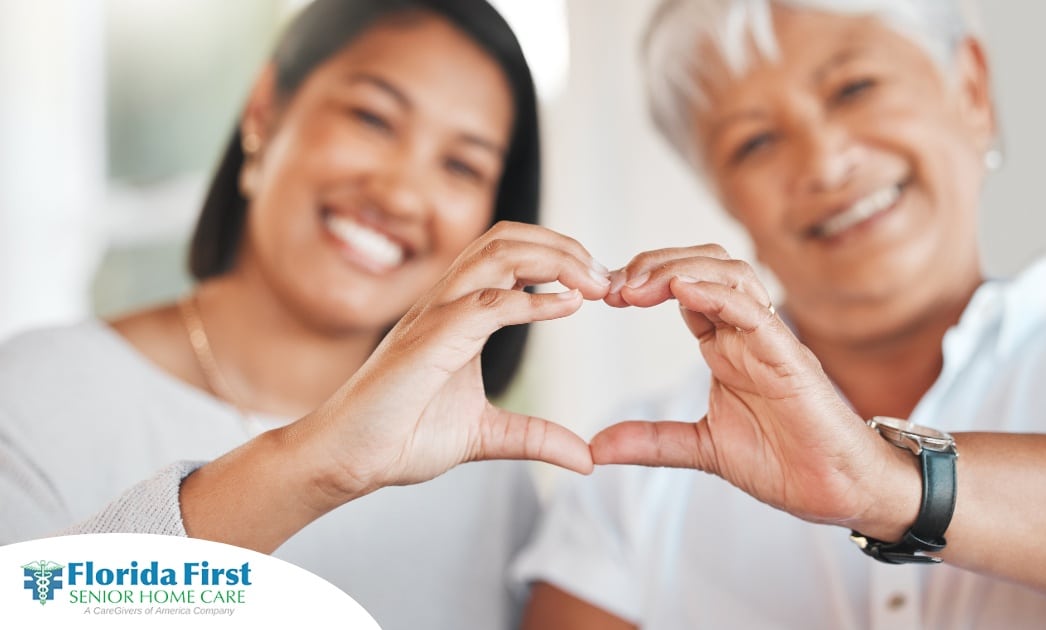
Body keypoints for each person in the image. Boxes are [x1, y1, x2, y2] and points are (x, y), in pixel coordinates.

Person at [514, 1, 1046, 628]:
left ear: (970, 89)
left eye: (854, 88)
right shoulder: (638, 477)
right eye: (754, 142)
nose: (824, 161)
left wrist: (891, 485)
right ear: (724, 196)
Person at [0, 1, 609, 627]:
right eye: (373, 118)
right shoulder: (37, 394)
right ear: (266, 110)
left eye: (461, 165)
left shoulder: (485, 479)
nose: (399, 194)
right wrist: (312, 467)